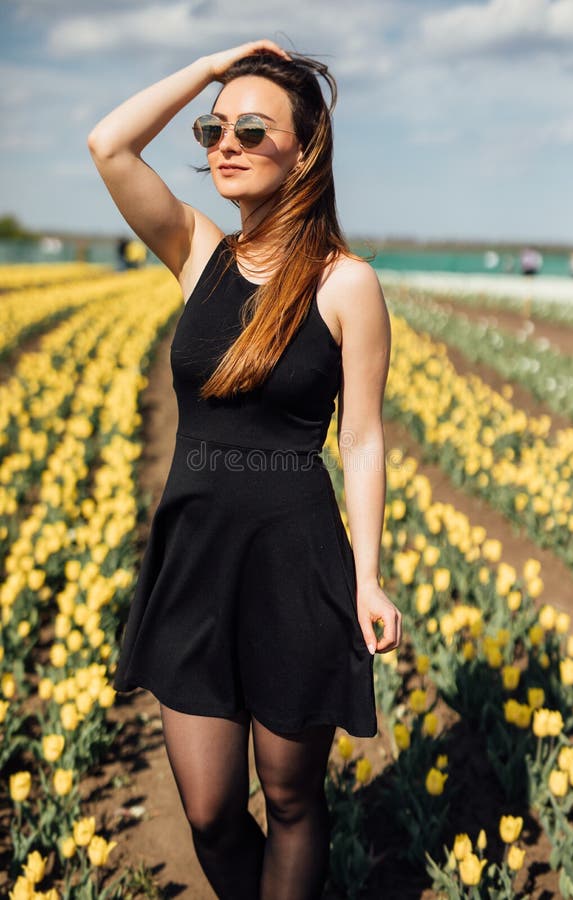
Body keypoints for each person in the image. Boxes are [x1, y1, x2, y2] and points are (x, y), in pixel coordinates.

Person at [87, 39, 401, 900]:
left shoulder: (346, 285)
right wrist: (213, 65)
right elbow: (109, 145)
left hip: (296, 562)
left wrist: (367, 580)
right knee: (211, 810)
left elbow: (363, 439)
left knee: (294, 801)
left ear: (304, 151)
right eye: (213, 127)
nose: (225, 142)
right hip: (193, 559)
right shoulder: (197, 253)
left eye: (252, 129)